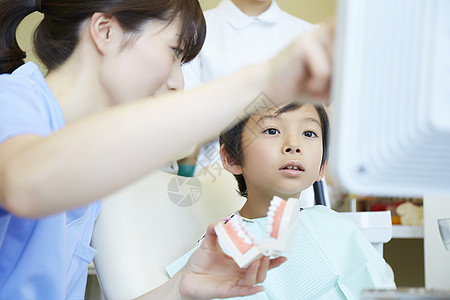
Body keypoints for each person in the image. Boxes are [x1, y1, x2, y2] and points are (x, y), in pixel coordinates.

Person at [0, 0, 334, 299]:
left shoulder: (89, 159)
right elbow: (27, 185)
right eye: (174, 53)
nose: (178, 81)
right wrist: (264, 81)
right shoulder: (12, 99)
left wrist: (180, 288)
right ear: (105, 31)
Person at [166, 102, 390, 299]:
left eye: (309, 133)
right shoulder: (221, 250)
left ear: (322, 166)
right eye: (272, 130)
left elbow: (383, 287)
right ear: (231, 158)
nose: (294, 145)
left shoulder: (337, 226)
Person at [178, 0, 330, 208]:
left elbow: (324, 120)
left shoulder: (308, 35)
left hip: (297, 184)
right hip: (219, 180)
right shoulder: (198, 30)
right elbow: (186, 118)